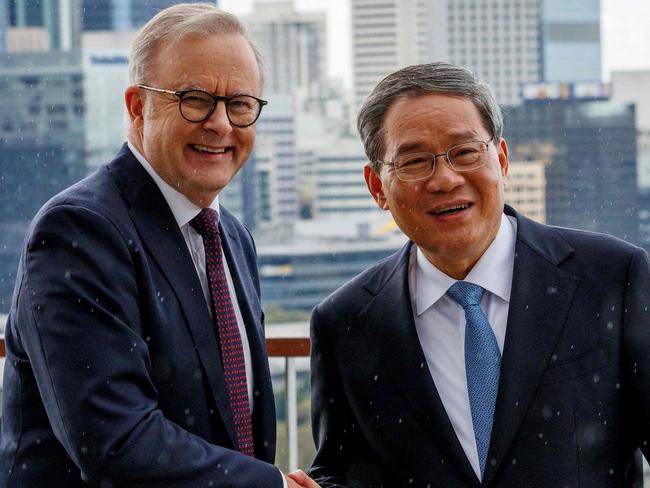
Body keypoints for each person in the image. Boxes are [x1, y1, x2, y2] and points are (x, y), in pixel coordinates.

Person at [0, 4, 318, 488]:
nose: (220, 124)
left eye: (240, 104)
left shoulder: (231, 236)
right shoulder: (79, 231)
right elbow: (115, 443)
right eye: (195, 99)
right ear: (136, 106)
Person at [308, 62, 650, 487]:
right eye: (415, 161)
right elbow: (341, 469)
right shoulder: (345, 322)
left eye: (465, 152)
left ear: (502, 160)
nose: (446, 179)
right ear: (377, 187)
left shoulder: (612, 277)